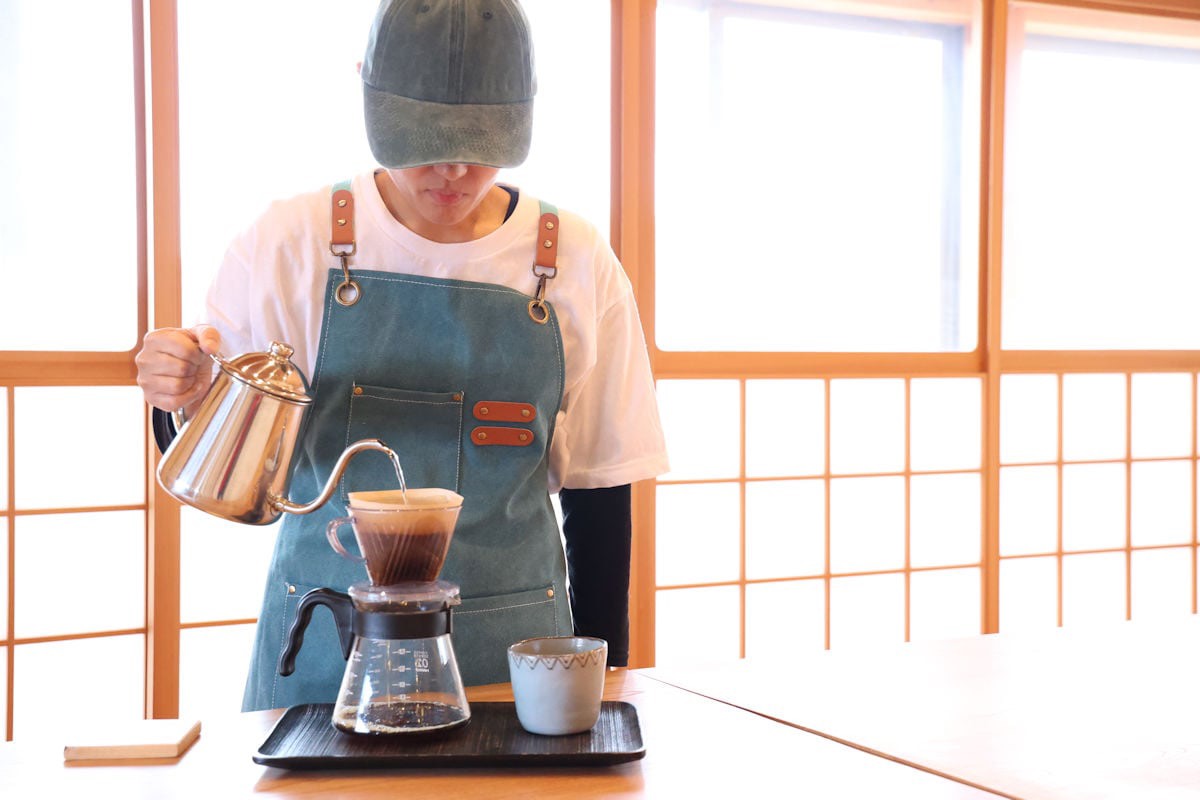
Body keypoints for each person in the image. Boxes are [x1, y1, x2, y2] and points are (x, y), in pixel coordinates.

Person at [134, 0, 668, 712]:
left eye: (481, 141)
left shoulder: (575, 257)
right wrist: (181, 393)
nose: (453, 168)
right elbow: (216, 455)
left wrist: (605, 687)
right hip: (323, 646)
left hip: (519, 662)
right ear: (368, 95)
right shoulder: (290, 241)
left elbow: (602, 490)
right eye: (425, 138)